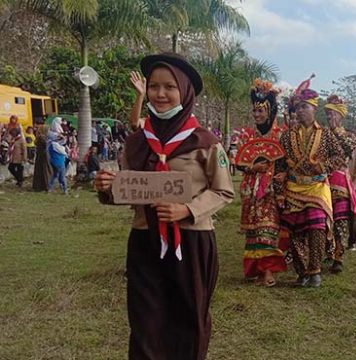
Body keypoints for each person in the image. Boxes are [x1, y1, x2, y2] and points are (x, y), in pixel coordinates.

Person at [95, 53, 235, 359]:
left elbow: (223, 191)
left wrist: (187, 210)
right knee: (146, 321)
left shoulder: (205, 141)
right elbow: (129, 191)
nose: (160, 94)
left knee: (189, 320)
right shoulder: (137, 142)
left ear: (183, 92)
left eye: (169, 87)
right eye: (154, 86)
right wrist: (108, 188)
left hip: (193, 241)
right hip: (145, 241)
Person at [279, 77, 345, 287]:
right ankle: (301, 272)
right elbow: (280, 164)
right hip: (294, 187)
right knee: (296, 230)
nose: (300, 111)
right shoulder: (287, 136)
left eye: (304, 107)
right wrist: (279, 189)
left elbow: (339, 156)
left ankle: (315, 270)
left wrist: (323, 167)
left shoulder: (325, 134)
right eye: (298, 107)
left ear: (314, 109)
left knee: (316, 225)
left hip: (317, 187)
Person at [238, 79, 287, 287]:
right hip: (251, 189)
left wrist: (281, 175)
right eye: (255, 111)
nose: (256, 115)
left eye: (261, 111)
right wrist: (252, 168)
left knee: (268, 228)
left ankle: (268, 271)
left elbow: (286, 162)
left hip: (271, 190)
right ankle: (257, 269)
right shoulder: (247, 136)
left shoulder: (280, 135)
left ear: (271, 111)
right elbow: (239, 161)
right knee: (254, 230)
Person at [325, 94, 356, 273]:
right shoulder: (322, 134)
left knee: (340, 221)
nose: (330, 117)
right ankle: (327, 252)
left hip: (340, 183)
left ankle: (338, 256)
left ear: (340, 116)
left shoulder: (349, 136)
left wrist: (336, 133)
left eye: (332, 114)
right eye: (328, 114)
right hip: (322, 181)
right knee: (323, 220)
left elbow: (349, 150)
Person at [47, 119, 69, 194]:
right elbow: (60, 139)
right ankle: (65, 189)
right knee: (62, 176)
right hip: (59, 161)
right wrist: (61, 137)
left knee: (55, 174)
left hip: (54, 160)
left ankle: (50, 188)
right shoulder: (55, 144)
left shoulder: (51, 144)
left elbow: (62, 140)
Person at [32, 125, 52, 192]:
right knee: (45, 171)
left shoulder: (40, 137)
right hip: (44, 156)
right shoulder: (42, 138)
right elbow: (46, 146)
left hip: (40, 156)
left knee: (39, 171)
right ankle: (46, 186)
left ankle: (39, 186)